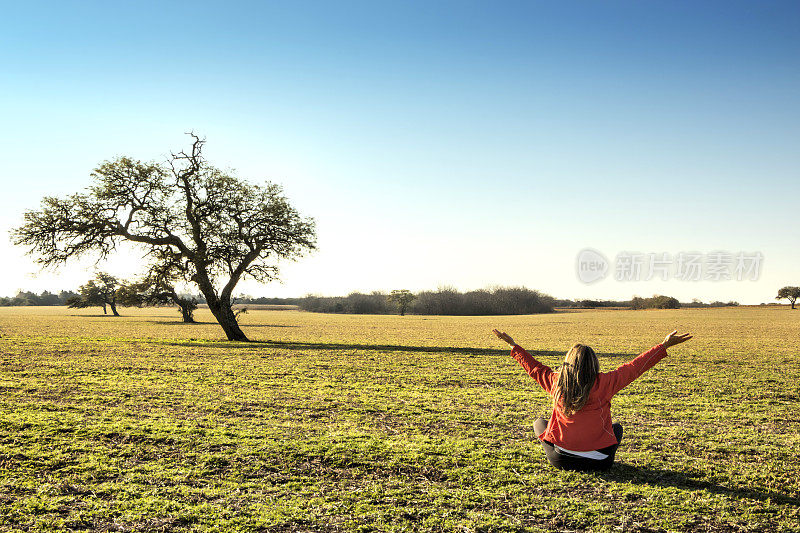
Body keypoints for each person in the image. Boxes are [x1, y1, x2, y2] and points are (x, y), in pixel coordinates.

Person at [492, 328, 692, 471]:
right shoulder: (605, 382)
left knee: (539, 423)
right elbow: (635, 367)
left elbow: (534, 368)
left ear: (567, 362)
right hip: (601, 463)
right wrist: (664, 345)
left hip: (560, 460)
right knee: (617, 428)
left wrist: (513, 345)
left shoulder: (556, 382)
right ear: (593, 364)